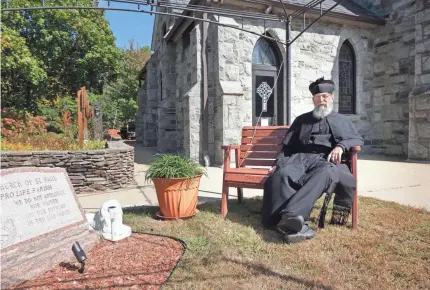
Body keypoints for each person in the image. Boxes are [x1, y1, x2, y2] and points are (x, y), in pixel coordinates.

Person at [261, 77, 364, 243]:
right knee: (283, 174)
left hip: (326, 160)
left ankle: (292, 216)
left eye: (325, 96)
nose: (321, 100)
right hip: (300, 158)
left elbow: (357, 139)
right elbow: (288, 147)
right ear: (313, 99)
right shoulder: (301, 120)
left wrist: (341, 146)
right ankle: (290, 222)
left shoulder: (342, 120)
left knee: (326, 173)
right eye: (318, 97)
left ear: (331, 98)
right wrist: (278, 164)